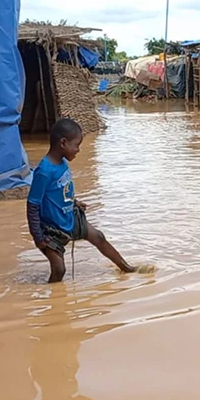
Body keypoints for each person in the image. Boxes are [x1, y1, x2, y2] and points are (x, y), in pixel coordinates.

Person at [27, 118, 136, 281]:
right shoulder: (44, 171)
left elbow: (59, 190)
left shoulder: (62, 162)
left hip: (70, 216)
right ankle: (54, 301)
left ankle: (126, 268)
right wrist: (38, 237)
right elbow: (32, 205)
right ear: (63, 143)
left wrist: (74, 202)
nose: (78, 150)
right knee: (59, 269)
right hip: (51, 228)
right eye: (76, 145)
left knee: (98, 237)